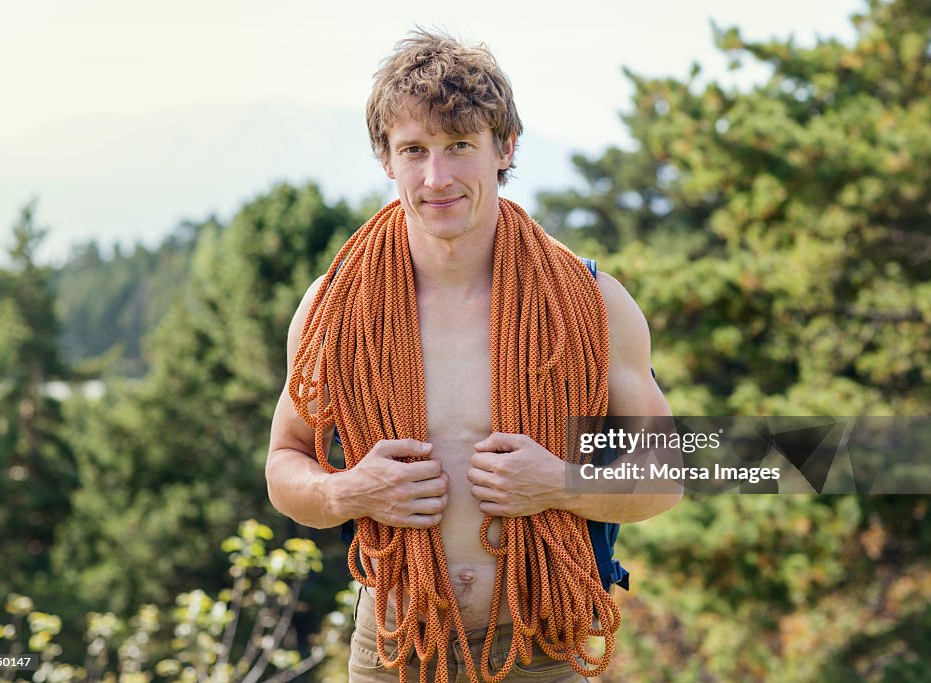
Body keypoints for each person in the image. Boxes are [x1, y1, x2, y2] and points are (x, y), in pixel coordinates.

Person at [266, 29, 681, 683]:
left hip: (541, 644)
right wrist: (349, 488)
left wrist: (558, 480)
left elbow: (665, 472)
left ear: (504, 147)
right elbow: (283, 466)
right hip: (395, 646)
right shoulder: (335, 304)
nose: (437, 177)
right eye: (414, 150)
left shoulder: (591, 301)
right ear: (386, 159)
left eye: (459, 145)